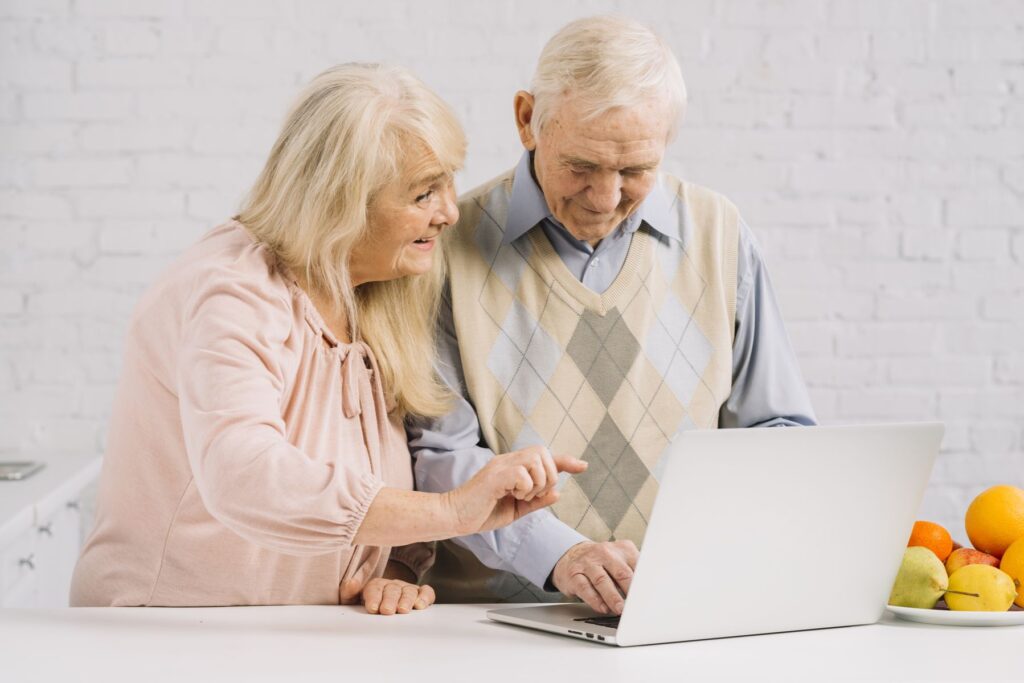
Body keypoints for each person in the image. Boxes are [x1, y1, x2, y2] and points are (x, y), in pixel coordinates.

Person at [70, 63, 586, 613]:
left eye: (448, 181)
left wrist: (391, 564)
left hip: (297, 637)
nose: (449, 212)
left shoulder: (372, 292)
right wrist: (453, 511)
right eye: (422, 194)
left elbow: (373, 478)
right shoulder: (230, 293)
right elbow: (245, 475)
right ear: (340, 202)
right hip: (161, 635)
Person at [408, 16, 817, 614]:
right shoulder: (444, 247)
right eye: (580, 166)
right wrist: (563, 556)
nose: (605, 198)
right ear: (528, 120)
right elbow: (440, 456)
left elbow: (777, 433)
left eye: (634, 171)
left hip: (681, 608)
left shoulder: (720, 235)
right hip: (489, 618)